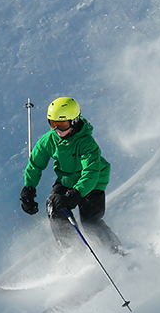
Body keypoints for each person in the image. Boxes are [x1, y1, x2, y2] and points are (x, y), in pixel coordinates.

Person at [20, 97, 111, 251]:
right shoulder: (51, 139)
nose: (57, 130)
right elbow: (36, 164)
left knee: (90, 222)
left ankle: (116, 250)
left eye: (62, 125)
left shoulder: (86, 143)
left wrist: (75, 194)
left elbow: (91, 172)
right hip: (67, 179)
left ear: (74, 121)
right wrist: (29, 188)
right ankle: (72, 250)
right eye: (52, 124)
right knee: (54, 205)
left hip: (92, 183)